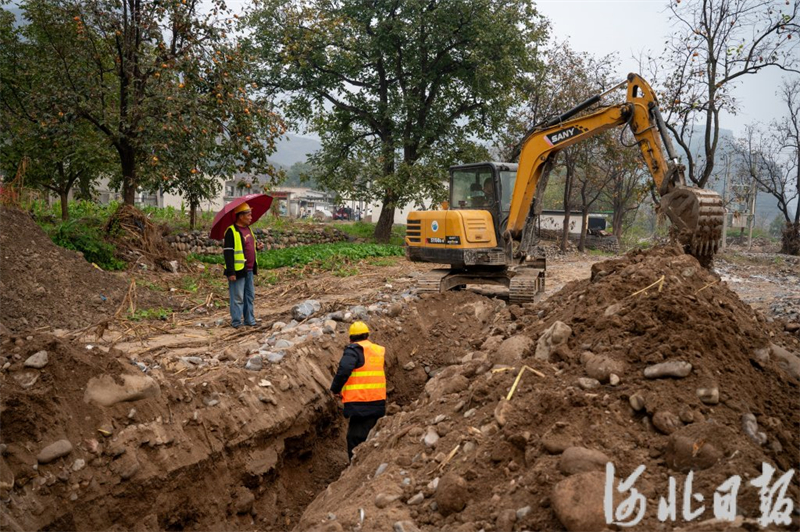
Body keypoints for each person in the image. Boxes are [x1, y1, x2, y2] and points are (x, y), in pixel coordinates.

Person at [330, 321, 386, 461]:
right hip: (378, 401)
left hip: (361, 402)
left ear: (351, 338)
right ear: (367, 335)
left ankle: (355, 468)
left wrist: (335, 389)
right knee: (371, 436)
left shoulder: (354, 350)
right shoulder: (377, 350)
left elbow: (344, 370)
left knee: (355, 439)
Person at [223, 202, 264, 328]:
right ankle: (236, 322)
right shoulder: (231, 231)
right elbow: (228, 253)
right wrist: (231, 272)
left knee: (249, 296)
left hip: (249, 269)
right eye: (248, 215)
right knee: (238, 297)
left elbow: (248, 246)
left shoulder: (249, 230)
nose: (251, 217)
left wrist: (257, 247)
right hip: (238, 270)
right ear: (240, 216)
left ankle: (249, 320)